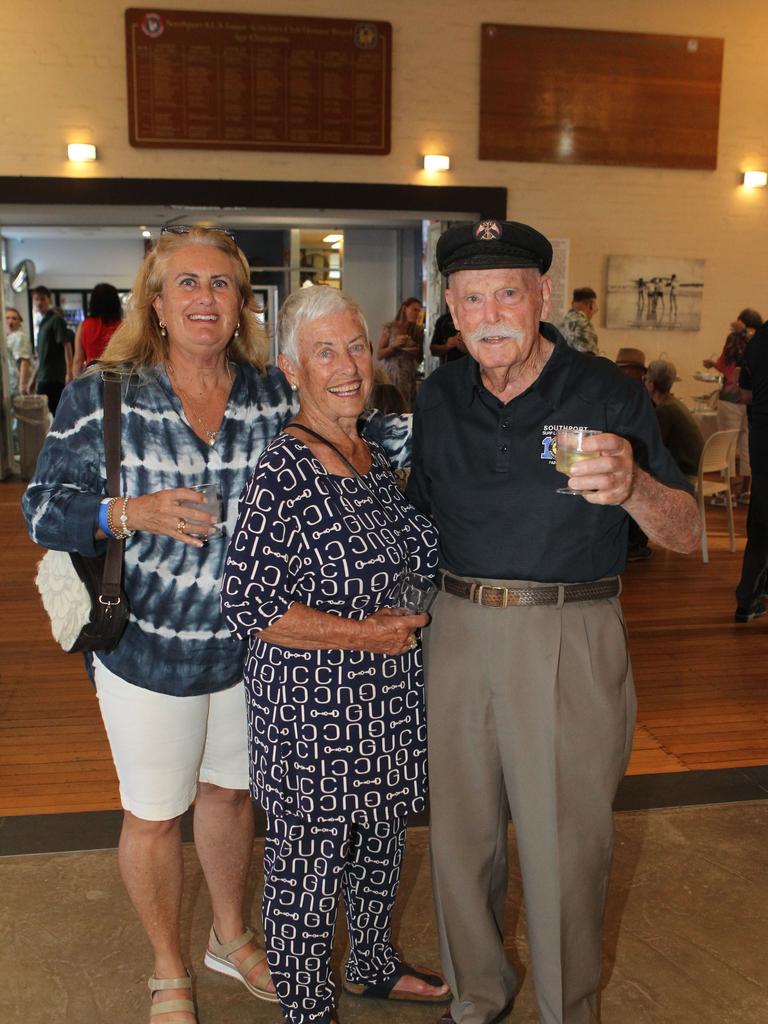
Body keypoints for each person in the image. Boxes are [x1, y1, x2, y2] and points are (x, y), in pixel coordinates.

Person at [23, 229, 411, 1024]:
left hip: (256, 653)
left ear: (242, 305)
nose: (205, 298)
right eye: (186, 283)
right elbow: (43, 510)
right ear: (156, 303)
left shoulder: (274, 391)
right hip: (147, 651)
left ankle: (230, 938)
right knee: (156, 811)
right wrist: (127, 512)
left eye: (222, 285)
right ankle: (169, 966)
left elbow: (363, 439)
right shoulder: (105, 392)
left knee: (232, 799)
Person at [407, 220, 700, 1024]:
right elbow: (419, 518)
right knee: (461, 842)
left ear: (542, 298)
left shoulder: (605, 391)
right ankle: (476, 999)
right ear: (452, 310)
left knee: (564, 847)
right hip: (456, 627)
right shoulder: (437, 396)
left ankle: (568, 1012)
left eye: (509, 291)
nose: (491, 311)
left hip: (569, 631)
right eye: (472, 297)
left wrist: (635, 485)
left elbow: (687, 531)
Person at [221, 285, 448, 1024]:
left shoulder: (368, 449)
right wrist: (365, 635)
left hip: (383, 706)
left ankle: (374, 965)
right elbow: (248, 604)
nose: (348, 364)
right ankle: (308, 1009)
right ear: (292, 368)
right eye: (326, 351)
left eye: (355, 344)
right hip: (314, 716)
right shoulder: (284, 472)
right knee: (308, 873)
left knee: (381, 848)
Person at [703, 308, 763, 503]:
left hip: (731, 397)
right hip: (754, 398)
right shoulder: (762, 341)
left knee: (727, 443)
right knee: (747, 444)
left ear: (741, 322)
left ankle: (727, 492)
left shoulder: (734, 338)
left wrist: (713, 363)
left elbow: (725, 365)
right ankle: (746, 490)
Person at [735, 321, 768, 622]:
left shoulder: (758, 342)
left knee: (760, 525)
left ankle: (748, 600)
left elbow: (745, 394)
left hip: (763, 442)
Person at [644, 358, 704, 480]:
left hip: (684, 474)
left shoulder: (664, 410)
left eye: (645, 379)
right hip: (694, 469)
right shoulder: (675, 404)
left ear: (651, 384)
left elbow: (653, 448)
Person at [377, 296, 424, 409]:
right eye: (414, 309)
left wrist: (415, 351)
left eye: (419, 310)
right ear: (404, 308)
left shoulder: (417, 331)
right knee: (390, 407)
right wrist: (394, 346)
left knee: (406, 408)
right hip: (390, 376)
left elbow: (420, 358)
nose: (417, 313)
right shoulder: (390, 328)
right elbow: (379, 354)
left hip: (408, 377)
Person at [31, 285, 72, 414]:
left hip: (54, 378)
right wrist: (33, 377)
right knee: (45, 416)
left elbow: (67, 345)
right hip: (43, 378)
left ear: (49, 300)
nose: (39, 302)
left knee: (57, 416)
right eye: (36, 299)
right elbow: (42, 357)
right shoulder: (42, 324)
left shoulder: (56, 320)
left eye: (42, 299)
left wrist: (69, 372)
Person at [71, 281, 123, 377]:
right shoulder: (123, 327)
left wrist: (76, 384)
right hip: (118, 379)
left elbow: (78, 360)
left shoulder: (83, 326)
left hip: (92, 378)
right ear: (115, 303)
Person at [558, 286, 600, 355]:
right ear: (591, 304)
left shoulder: (561, 323)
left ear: (572, 303)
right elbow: (590, 357)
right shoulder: (585, 325)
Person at [4, 306, 33, 396]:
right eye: (7, 318)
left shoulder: (20, 337)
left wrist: (22, 385)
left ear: (19, 321)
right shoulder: (8, 336)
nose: (10, 321)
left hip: (16, 384)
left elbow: (24, 361)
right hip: (9, 382)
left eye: (14, 318)